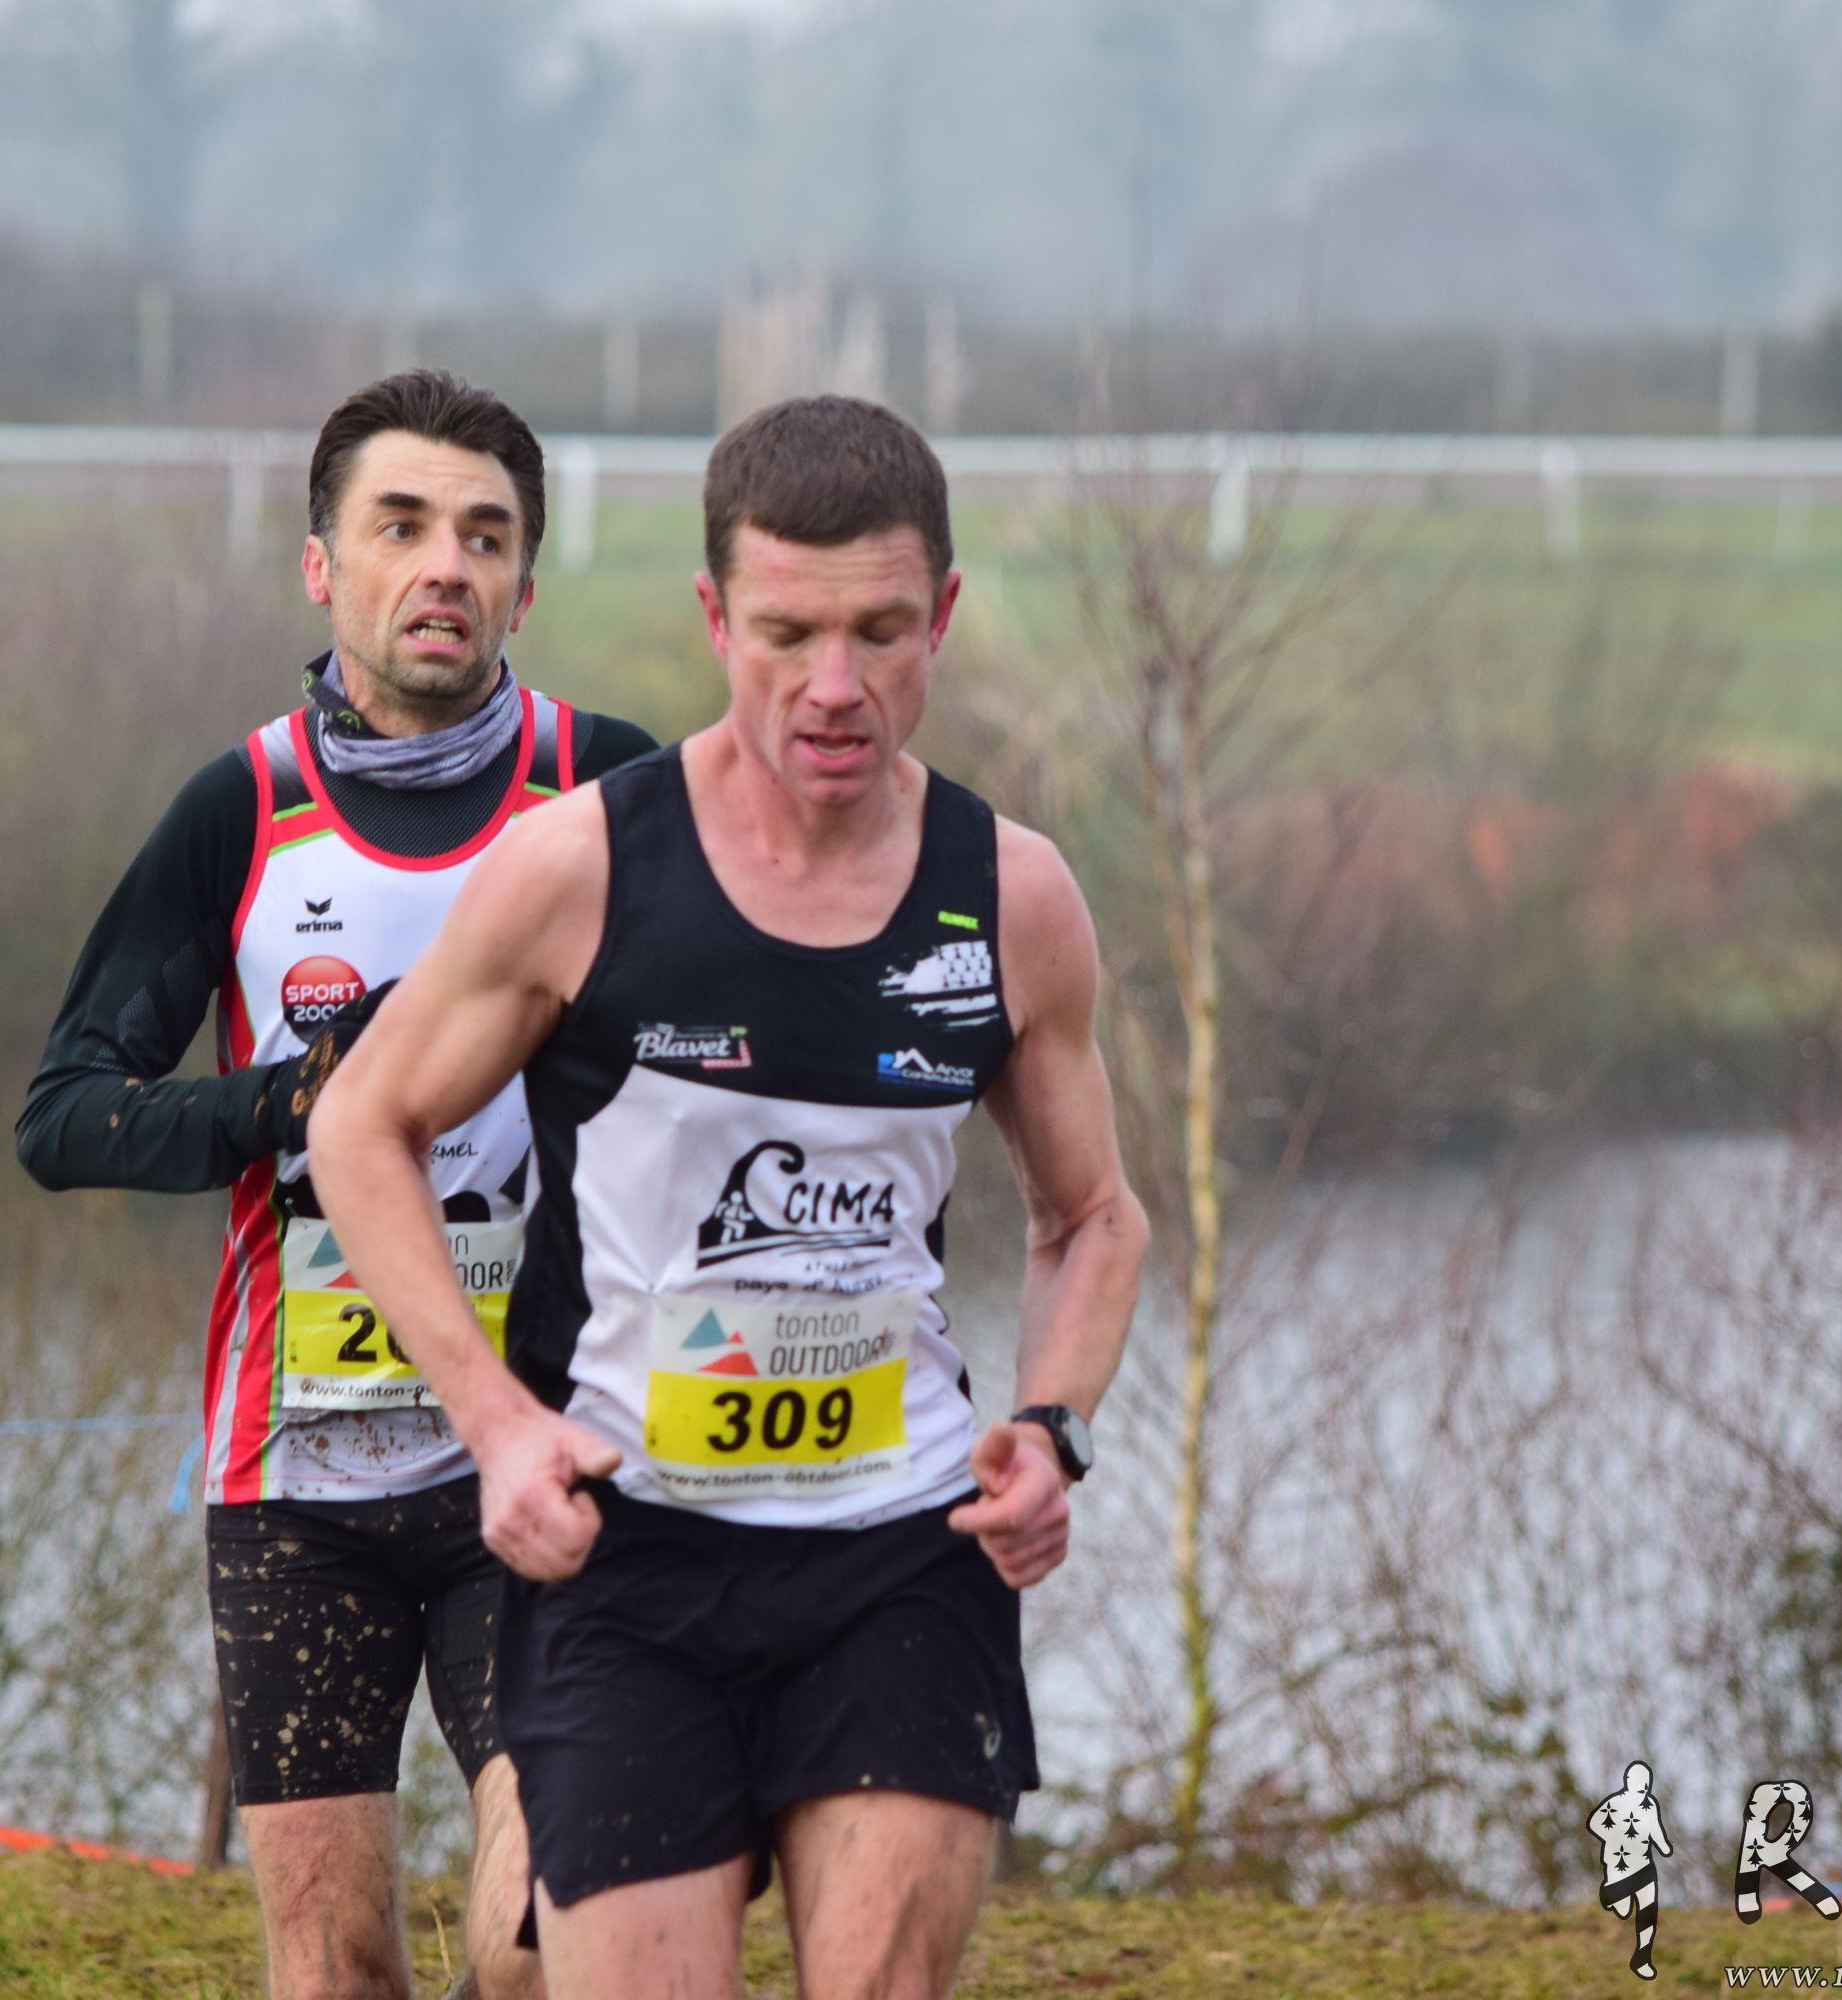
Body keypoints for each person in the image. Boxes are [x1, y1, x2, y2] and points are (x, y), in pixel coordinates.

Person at [308, 395, 1149, 2000]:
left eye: (879, 632)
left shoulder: (1010, 896)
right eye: (786, 634)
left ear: (942, 616)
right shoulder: (583, 869)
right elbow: (362, 1129)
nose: (834, 687)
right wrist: (496, 1425)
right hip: (630, 1558)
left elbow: (1093, 1217)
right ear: (714, 618)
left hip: (902, 1550)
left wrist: (1053, 1429)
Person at [17, 370, 654, 2000]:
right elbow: (63, 1116)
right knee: (333, 1972)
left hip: (542, 1446)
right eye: (401, 526)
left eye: (485, 536)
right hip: (299, 1477)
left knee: (541, 1944)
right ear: (322, 565)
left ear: (524, 584)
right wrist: (285, 1103)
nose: (445, 566)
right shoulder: (239, 810)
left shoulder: (610, 792)